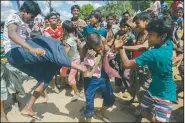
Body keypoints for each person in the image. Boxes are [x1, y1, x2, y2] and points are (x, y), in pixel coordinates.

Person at [3, 1, 87, 120]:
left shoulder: (26, 23)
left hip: (22, 55)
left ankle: (29, 107)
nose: (31, 20)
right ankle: (77, 66)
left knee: (47, 75)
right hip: (14, 53)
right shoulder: (13, 17)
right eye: (31, 17)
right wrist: (31, 49)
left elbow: (30, 38)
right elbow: (12, 34)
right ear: (24, 11)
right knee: (50, 49)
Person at [115, 17, 176, 123]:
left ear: (163, 36)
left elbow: (127, 64)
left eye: (150, 35)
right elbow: (171, 46)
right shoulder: (168, 44)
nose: (147, 38)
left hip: (165, 94)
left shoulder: (153, 54)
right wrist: (178, 57)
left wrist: (120, 48)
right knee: (143, 110)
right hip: (153, 89)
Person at [81, 32, 123, 122]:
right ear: (90, 48)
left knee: (110, 97)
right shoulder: (87, 55)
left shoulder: (104, 47)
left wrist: (115, 49)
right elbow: (86, 69)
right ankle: (89, 119)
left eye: (101, 45)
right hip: (91, 80)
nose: (101, 48)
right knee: (89, 101)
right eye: (98, 48)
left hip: (103, 77)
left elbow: (110, 56)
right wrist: (90, 59)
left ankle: (101, 111)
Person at [123, 12, 152, 105]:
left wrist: (124, 47)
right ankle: (134, 99)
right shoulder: (139, 31)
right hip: (134, 62)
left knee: (142, 87)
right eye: (135, 23)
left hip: (144, 66)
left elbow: (144, 46)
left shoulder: (150, 35)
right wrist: (137, 16)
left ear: (146, 21)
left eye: (137, 23)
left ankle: (141, 110)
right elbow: (128, 21)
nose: (135, 25)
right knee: (134, 83)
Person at [60, 20, 83, 101]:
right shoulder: (73, 37)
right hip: (70, 59)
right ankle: (63, 83)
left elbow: (65, 53)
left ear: (64, 30)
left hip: (74, 61)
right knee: (62, 72)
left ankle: (76, 92)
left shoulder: (69, 40)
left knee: (70, 78)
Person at [43, 12, 65, 93]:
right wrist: (59, 40)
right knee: (52, 71)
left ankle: (61, 83)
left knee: (60, 69)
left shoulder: (61, 29)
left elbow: (63, 39)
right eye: (52, 18)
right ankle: (53, 85)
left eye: (55, 18)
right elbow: (51, 42)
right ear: (48, 20)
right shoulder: (46, 30)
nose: (54, 19)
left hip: (60, 52)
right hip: (50, 53)